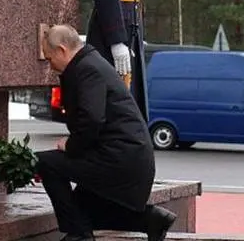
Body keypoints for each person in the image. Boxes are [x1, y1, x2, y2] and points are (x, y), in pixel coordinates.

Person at [36, 25, 176, 241]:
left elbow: (92, 119)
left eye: (49, 57)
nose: (50, 64)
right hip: (125, 157)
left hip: (120, 160)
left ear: (62, 50)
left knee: (45, 163)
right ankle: (151, 220)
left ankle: (79, 236)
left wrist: (71, 145)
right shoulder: (89, 64)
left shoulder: (87, 69)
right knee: (83, 209)